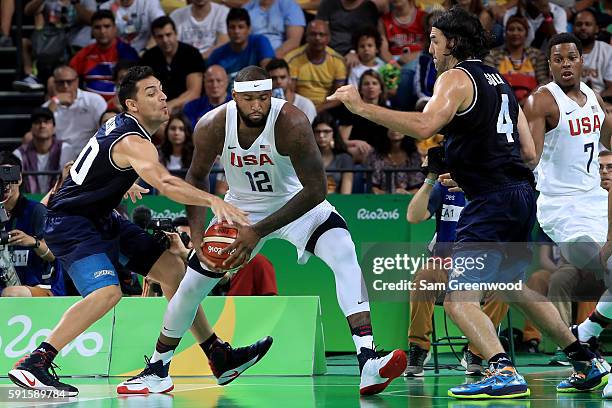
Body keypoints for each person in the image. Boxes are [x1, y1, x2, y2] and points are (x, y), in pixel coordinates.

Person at [328, 7, 606, 399]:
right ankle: (585, 360)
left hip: (491, 202)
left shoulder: (454, 79)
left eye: (435, 40)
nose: (430, 47)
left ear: (453, 43)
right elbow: (527, 152)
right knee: (511, 287)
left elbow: (426, 126)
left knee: (460, 300)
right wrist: (473, 170)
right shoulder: (501, 81)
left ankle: (501, 369)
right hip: (521, 196)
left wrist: (361, 107)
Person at [120, 66, 408, 396]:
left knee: (344, 252)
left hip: (296, 203)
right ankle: (157, 370)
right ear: (235, 98)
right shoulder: (212, 125)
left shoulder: (292, 122)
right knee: (191, 285)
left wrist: (257, 232)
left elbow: (316, 190)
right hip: (241, 208)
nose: (257, 105)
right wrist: (199, 239)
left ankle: (368, 360)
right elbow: (197, 178)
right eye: (249, 99)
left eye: (263, 98)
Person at [7, 66, 259, 396]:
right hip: (71, 224)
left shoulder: (125, 131)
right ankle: (36, 362)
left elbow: (92, 163)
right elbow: (166, 183)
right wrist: (213, 200)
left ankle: (217, 355)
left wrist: (118, 183)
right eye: (151, 92)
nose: (163, 96)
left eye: (162, 90)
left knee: (173, 271)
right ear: (132, 105)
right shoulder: (134, 141)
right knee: (107, 293)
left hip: (100, 217)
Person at [524, 32, 612, 397]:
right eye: (557, 58)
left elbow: (607, 137)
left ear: (581, 60)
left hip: (596, 199)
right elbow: (529, 158)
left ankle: (584, 338)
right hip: (562, 207)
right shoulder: (540, 101)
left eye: (571, 57)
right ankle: (596, 359)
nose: (565, 64)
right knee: (604, 269)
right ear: (549, 64)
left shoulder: (592, 95)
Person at [404, 146, 508, 377]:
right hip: (445, 266)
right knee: (424, 279)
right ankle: (418, 347)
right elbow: (413, 216)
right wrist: (431, 177)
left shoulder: (494, 190)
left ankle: (477, 351)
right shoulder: (445, 187)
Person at [0, 152, 65, 298]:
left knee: (12, 293)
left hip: (41, 288)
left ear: (20, 178)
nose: (6, 183)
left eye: (10, 175)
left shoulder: (36, 211)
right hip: (5, 286)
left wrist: (33, 242)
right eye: (1, 177)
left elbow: (54, 255)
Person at [43, 65, 108, 167]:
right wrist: (55, 101)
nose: (65, 86)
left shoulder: (94, 100)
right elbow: (41, 127)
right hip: (59, 155)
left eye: (69, 82)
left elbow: (107, 127)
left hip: (90, 152)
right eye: (61, 82)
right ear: (54, 84)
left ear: (77, 81)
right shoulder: (48, 107)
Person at [69, 10, 139, 102]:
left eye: (107, 26)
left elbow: (135, 86)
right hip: (89, 106)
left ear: (115, 28)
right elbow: (68, 77)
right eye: (97, 27)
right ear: (92, 31)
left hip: (121, 106)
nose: (102, 31)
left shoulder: (128, 52)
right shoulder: (84, 54)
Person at [140, 16, 204, 113]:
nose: (165, 40)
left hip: (186, 108)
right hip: (157, 108)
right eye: (160, 37)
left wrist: (171, 105)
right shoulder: (148, 57)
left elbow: (194, 93)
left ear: (176, 33)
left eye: (168, 35)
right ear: (154, 38)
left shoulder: (192, 54)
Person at [484, 15, 549, 106]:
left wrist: (529, 99)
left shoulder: (537, 55)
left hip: (532, 104)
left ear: (526, 33)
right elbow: (490, 82)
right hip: (501, 103)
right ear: (505, 33)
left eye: (520, 29)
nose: (515, 33)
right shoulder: (493, 55)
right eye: (511, 29)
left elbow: (544, 82)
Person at [284, 19, 347, 113]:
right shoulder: (292, 59)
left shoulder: (338, 61)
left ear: (329, 38)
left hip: (325, 109)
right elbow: (290, 92)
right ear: (306, 37)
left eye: (322, 34)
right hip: (299, 108)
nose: (317, 38)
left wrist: (314, 111)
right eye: (313, 34)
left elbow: (338, 97)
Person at [207, 8, 275, 80]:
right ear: (227, 30)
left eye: (241, 27)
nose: (236, 31)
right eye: (232, 27)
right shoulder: (217, 55)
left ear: (249, 29)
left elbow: (268, 72)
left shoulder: (260, 42)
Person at [15, 108, 63, 194]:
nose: (42, 125)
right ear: (31, 128)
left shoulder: (65, 149)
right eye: (37, 122)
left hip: (57, 201)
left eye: (46, 122)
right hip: (29, 203)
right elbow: (9, 182)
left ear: (54, 127)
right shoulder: (18, 153)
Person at [366, 128, 424, 194]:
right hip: (381, 200)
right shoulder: (375, 154)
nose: (395, 129)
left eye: (398, 126)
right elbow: (372, 187)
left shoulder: (414, 155)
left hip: (407, 200)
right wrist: (387, 194)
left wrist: (406, 193)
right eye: (390, 126)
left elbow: (418, 188)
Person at [100, 0, 165, 54]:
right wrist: (113, 14)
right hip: (117, 56)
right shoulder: (105, 7)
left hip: (147, 53)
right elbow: (104, 37)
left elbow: (161, 28)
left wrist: (145, 51)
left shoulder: (150, 2)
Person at [573, 9, 612, 98]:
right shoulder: (565, 51)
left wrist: (593, 102)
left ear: (596, 29)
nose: (583, 27)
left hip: (601, 100)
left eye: (588, 24)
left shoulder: (608, 51)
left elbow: (611, 88)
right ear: (573, 28)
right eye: (579, 24)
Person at [313, 112, 353, 194]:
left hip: (338, 203)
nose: (321, 135)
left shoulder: (345, 158)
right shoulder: (307, 158)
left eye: (326, 131)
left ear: (333, 133)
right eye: (317, 131)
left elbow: (346, 194)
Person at [266, 58, 317, 123]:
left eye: (282, 77)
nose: (278, 81)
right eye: (273, 78)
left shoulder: (306, 105)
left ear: (289, 79)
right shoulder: (262, 106)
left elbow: (308, 132)